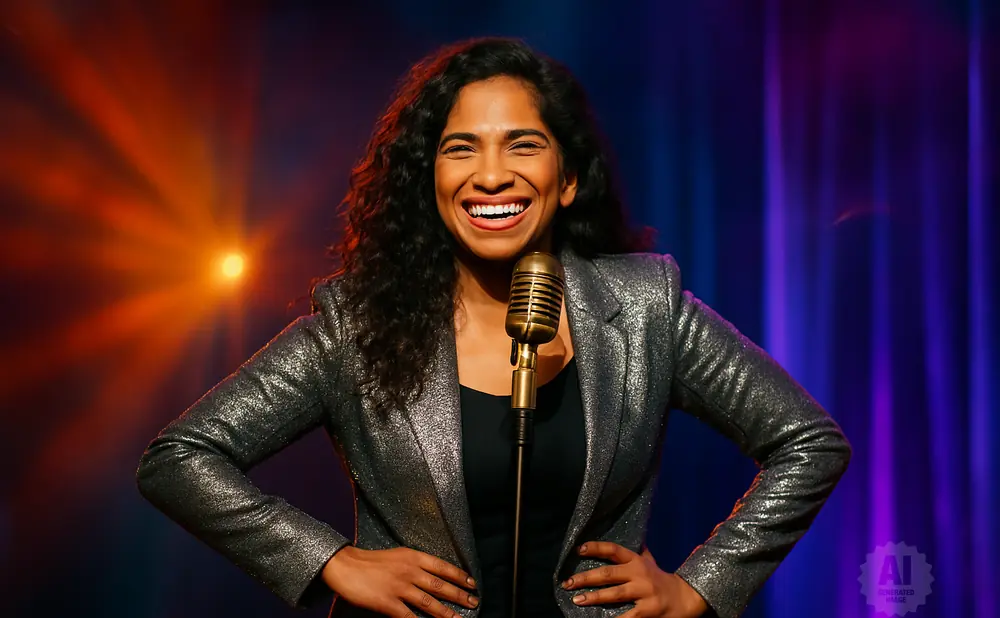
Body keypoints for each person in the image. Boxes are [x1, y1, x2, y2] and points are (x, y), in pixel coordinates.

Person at [136, 37, 851, 618]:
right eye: (460, 148)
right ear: (431, 180)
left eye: (522, 145)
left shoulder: (644, 309)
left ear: (567, 180)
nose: (491, 175)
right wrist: (328, 560)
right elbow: (180, 458)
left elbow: (809, 442)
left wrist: (700, 587)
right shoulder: (355, 325)